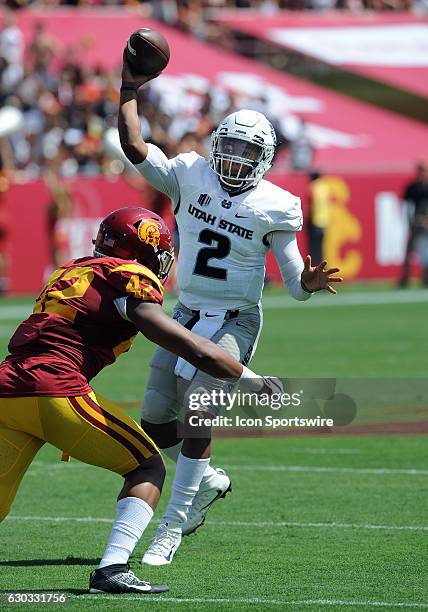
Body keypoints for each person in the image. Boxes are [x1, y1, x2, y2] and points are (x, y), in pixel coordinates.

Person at [118, 57, 342, 567]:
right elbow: (134, 148)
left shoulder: (275, 204)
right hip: (185, 313)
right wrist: (129, 88)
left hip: (236, 319)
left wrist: (306, 280)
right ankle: (208, 481)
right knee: (154, 419)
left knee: (199, 411)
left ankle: (171, 528)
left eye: (248, 150)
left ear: (264, 158)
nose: (236, 157)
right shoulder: (191, 173)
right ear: (218, 141)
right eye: (232, 145)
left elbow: (293, 284)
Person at [0, 206, 273, 595]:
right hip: (54, 388)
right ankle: (113, 570)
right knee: (147, 467)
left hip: (7, 388)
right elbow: (189, 345)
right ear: (141, 251)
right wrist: (249, 378)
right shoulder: (130, 277)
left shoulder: (73, 269)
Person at [399, 160, 428, 287]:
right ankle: (405, 278)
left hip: (427, 223)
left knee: (425, 251)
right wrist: (410, 221)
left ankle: (425, 278)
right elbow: (407, 205)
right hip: (415, 221)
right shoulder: (412, 187)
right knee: (409, 250)